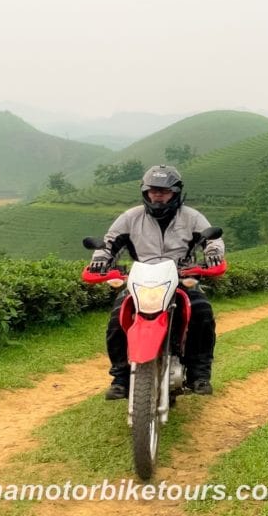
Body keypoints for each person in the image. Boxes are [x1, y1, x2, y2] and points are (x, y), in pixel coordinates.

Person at [87, 165, 225, 400]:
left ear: (175, 192)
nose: (158, 195)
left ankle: (199, 374)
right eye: (153, 190)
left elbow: (212, 239)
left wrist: (213, 252)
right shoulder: (131, 217)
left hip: (181, 277)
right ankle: (120, 378)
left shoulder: (191, 217)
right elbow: (109, 243)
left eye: (164, 191)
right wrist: (100, 258)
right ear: (145, 192)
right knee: (117, 316)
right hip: (141, 279)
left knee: (202, 311)